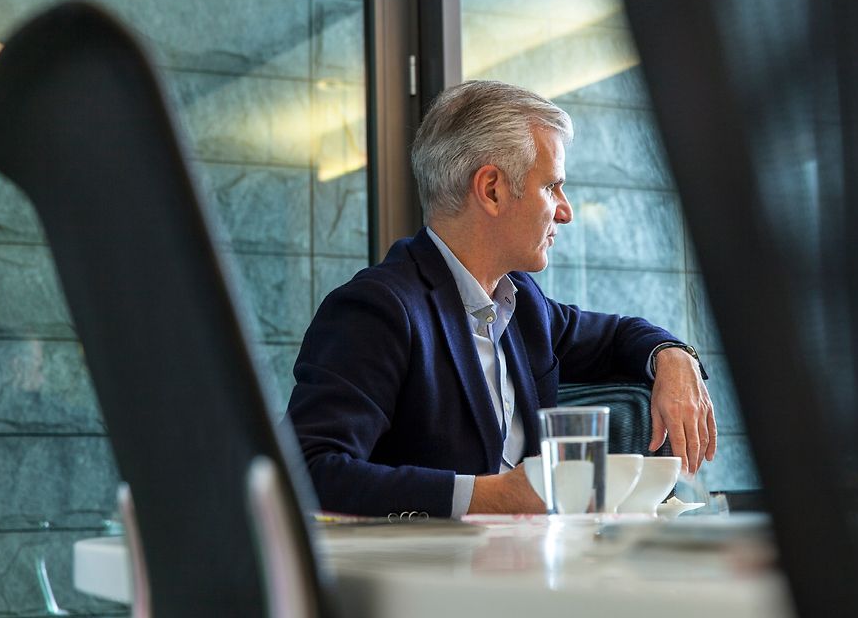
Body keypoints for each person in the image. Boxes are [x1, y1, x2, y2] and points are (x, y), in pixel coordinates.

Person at [285, 80, 715, 518]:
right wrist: (491, 497)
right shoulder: (378, 309)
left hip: (538, 568)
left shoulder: (522, 303)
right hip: (429, 579)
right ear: (491, 189)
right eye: (552, 187)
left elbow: (619, 336)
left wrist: (674, 357)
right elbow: (307, 473)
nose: (565, 211)